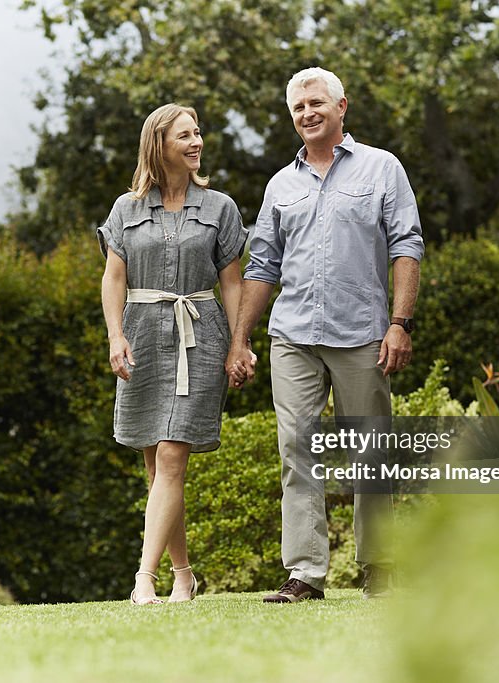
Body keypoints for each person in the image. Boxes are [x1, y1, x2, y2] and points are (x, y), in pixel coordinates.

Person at [225, 67, 424, 603]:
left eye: (315, 103)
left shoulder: (383, 169)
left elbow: (407, 244)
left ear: (342, 106)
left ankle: (378, 567)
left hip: (362, 333)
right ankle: (306, 574)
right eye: (297, 108)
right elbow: (262, 264)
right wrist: (240, 339)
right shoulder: (280, 185)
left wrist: (399, 323)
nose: (307, 114)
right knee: (295, 448)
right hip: (293, 336)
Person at [98, 103, 247, 605]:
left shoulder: (221, 208)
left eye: (198, 133)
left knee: (170, 457)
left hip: (199, 339)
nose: (196, 142)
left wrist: (239, 343)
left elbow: (232, 283)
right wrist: (116, 337)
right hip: (141, 338)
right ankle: (184, 573)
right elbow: (114, 278)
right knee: (158, 469)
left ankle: (145, 579)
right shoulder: (126, 209)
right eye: (185, 135)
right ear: (159, 145)